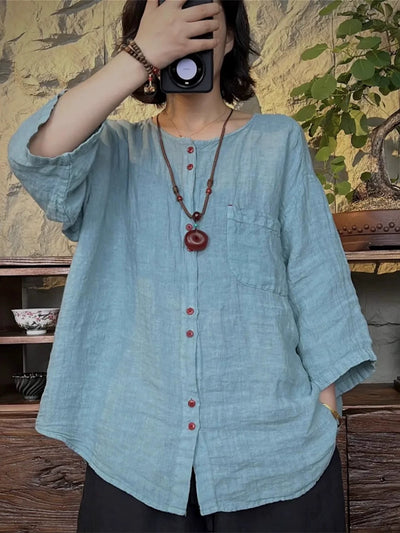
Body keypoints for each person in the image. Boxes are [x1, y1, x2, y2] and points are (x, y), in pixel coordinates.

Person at [7, 0, 377, 531]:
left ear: (229, 40)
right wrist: (141, 55)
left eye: (202, 25)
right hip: (134, 449)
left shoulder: (277, 142)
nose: (184, 39)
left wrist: (325, 409)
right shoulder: (111, 151)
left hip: (273, 449)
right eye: (167, 27)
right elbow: (35, 154)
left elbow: (315, 277)